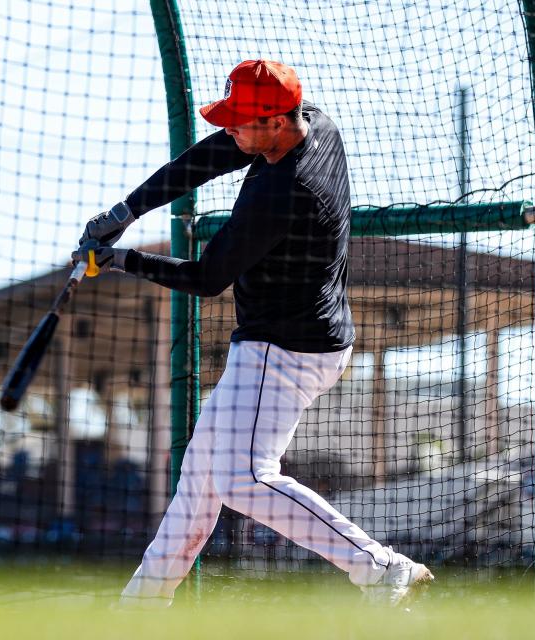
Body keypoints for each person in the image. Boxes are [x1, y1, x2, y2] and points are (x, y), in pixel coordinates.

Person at [74, 60, 433, 607]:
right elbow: (211, 157)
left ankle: (383, 570)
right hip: (284, 341)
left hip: (287, 350)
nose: (232, 131)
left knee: (242, 477)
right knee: (200, 476)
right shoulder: (313, 121)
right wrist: (128, 209)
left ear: (274, 121)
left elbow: (207, 277)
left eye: (241, 122)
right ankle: (141, 606)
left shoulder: (286, 191)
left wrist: (122, 259)